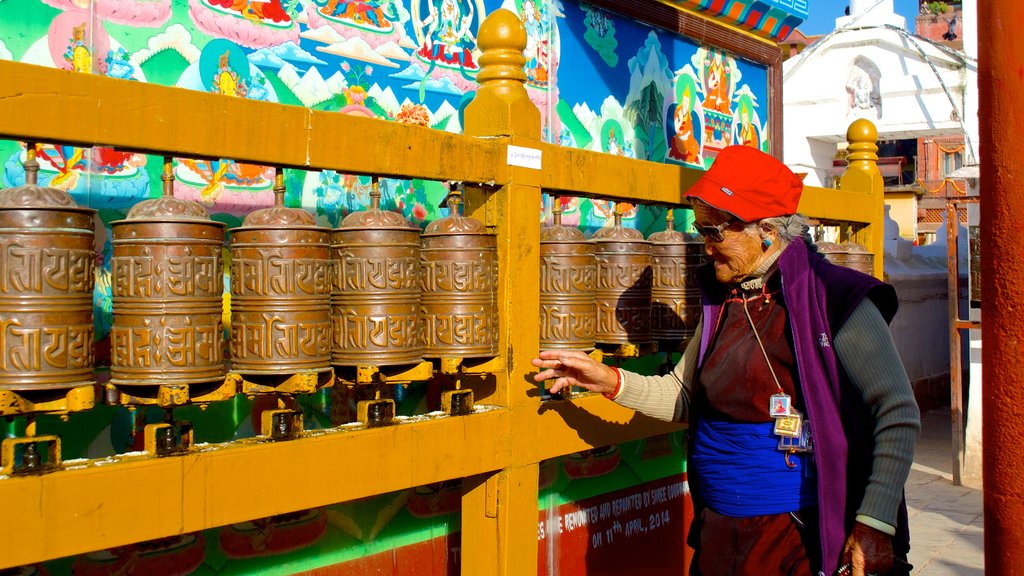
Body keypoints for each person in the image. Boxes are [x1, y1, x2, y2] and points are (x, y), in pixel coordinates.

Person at [532, 145, 920, 576]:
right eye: (701, 231)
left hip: (796, 536)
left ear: (766, 230)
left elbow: (897, 412)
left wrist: (874, 523)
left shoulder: (836, 299)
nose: (706, 246)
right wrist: (605, 379)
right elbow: (684, 395)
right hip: (721, 531)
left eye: (715, 232)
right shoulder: (728, 302)